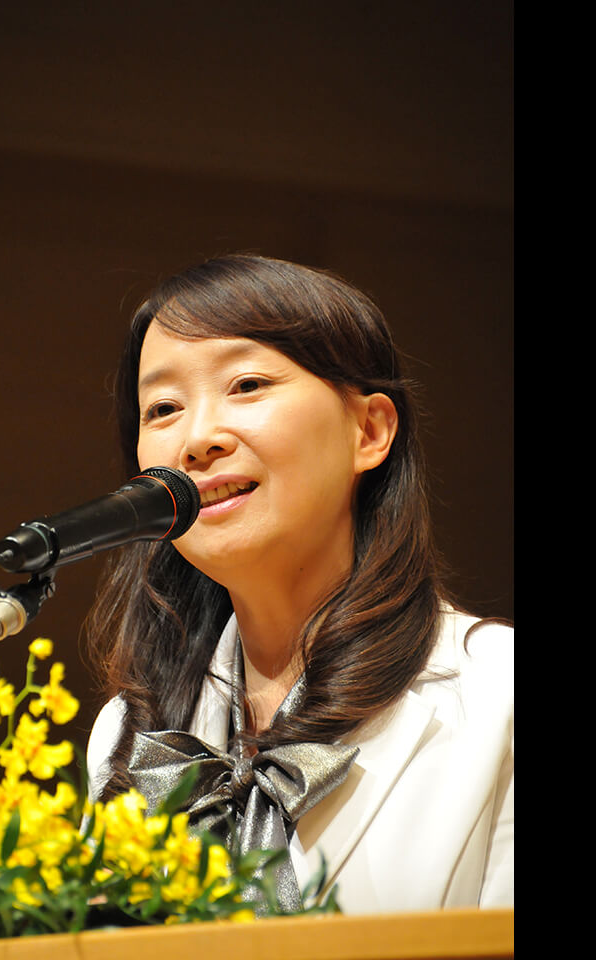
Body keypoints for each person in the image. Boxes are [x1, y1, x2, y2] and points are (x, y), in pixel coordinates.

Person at [82, 255, 512, 915]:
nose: (196, 439)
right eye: (163, 407)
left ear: (369, 431)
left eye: (248, 384)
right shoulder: (130, 734)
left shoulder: (498, 694)